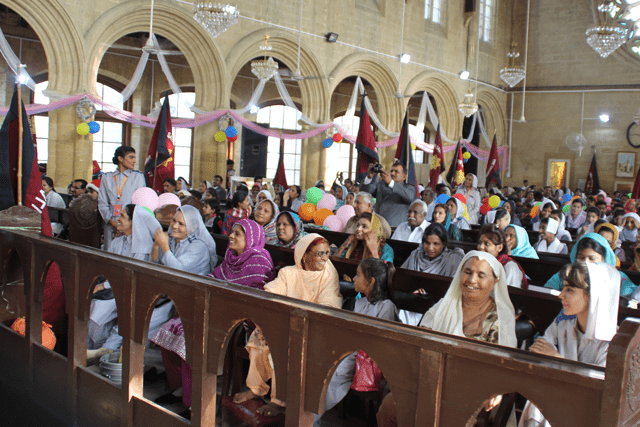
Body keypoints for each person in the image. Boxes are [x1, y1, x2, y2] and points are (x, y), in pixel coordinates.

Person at [377, 251, 517, 427]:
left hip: (472, 392)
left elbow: (504, 365)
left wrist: (496, 390)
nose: (472, 280)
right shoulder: (446, 305)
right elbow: (421, 341)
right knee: (390, 406)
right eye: (467, 272)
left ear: (494, 281)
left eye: (481, 275)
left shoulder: (500, 318)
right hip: (432, 381)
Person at [233, 234, 342, 416]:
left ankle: (279, 400)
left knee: (284, 350)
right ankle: (256, 389)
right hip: (285, 323)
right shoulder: (288, 273)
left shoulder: (329, 274)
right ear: (304, 255)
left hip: (313, 329)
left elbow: (328, 305)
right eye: (319, 253)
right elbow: (272, 292)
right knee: (259, 337)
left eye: (327, 253)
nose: (324, 258)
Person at [519, 262, 620, 427]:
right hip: (559, 394)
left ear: (592, 295)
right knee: (541, 398)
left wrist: (558, 360)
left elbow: (594, 390)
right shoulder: (563, 325)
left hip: (588, 413)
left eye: (570, 290)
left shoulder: (613, 342)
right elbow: (539, 350)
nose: (561, 295)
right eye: (563, 288)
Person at [314, 258, 399, 427]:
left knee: (334, 371)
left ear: (371, 281)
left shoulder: (386, 307)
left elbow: (382, 341)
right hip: (355, 351)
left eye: (358, 275)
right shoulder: (360, 303)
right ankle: (309, 413)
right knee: (319, 362)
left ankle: (312, 417)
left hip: (372, 358)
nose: (353, 279)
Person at [87, 204, 171, 362]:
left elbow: (131, 276)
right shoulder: (118, 241)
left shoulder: (143, 247)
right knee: (88, 304)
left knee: (99, 311)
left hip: (130, 289)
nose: (118, 219)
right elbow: (107, 266)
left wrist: (102, 286)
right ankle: (88, 350)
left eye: (123, 216)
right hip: (113, 286)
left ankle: (99, 352)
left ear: (134, 222)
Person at [544, 233, 637, 296]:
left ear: (604, 259)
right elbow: (546, 293)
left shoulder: (617, 278)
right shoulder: (565, 275)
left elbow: (629, 301)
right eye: (581, 257)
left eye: (592, 259)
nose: (586, 263)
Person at [98, 146, 146, 251]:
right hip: (111, 224)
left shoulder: (138, 177)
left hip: (130, 225)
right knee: (110, 253)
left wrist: (128, 224)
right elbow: (102, 203)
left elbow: (140, 204)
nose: (134, 161)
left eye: (134, 157)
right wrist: (111, 222)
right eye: (131, 157)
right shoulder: (107, 177)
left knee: (127, 253)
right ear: (120, 158)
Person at [152, 205, 218, 276]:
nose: (174, 226)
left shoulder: (199, 247)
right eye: (174, 220)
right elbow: (153, 265)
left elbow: (177, 271)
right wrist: (156, 246)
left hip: (191, 282)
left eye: (181, 224)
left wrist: (164, 246)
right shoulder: (171, 240)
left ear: (192, 228)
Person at [209, 219, 275, 288]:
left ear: (250, 238)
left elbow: (256, 291)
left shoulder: (259, 261)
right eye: (232, 232)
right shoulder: (231, 258)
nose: (231, 235)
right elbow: (212, 277)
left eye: (237, 234)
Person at [364, 162, 417, 228]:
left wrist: (391, 182)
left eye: (396, 172)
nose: (392, 173)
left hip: (395, 228)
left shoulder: (408, 188)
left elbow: (409, 197)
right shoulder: (381, 185)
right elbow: (365, 192)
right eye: (391, 171)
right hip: (377, 226)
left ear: (404, 177)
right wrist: (369, 177)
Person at [477, 224, 527, 288]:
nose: (480, 247)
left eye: (487, 244)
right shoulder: (477, 262)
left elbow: (509, 293)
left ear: (499, 248)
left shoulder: (510, 267)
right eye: (479, 243)